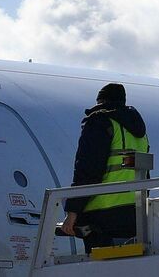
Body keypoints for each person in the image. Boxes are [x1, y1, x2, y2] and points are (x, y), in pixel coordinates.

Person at [61, 82, 151, 249]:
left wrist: (72, 211)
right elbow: (144, 173)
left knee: (99, 268)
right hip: (134, 213)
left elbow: (88, 169)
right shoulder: (139, 133)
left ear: (100, 101)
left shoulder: (100, 122)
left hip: (102, 214)